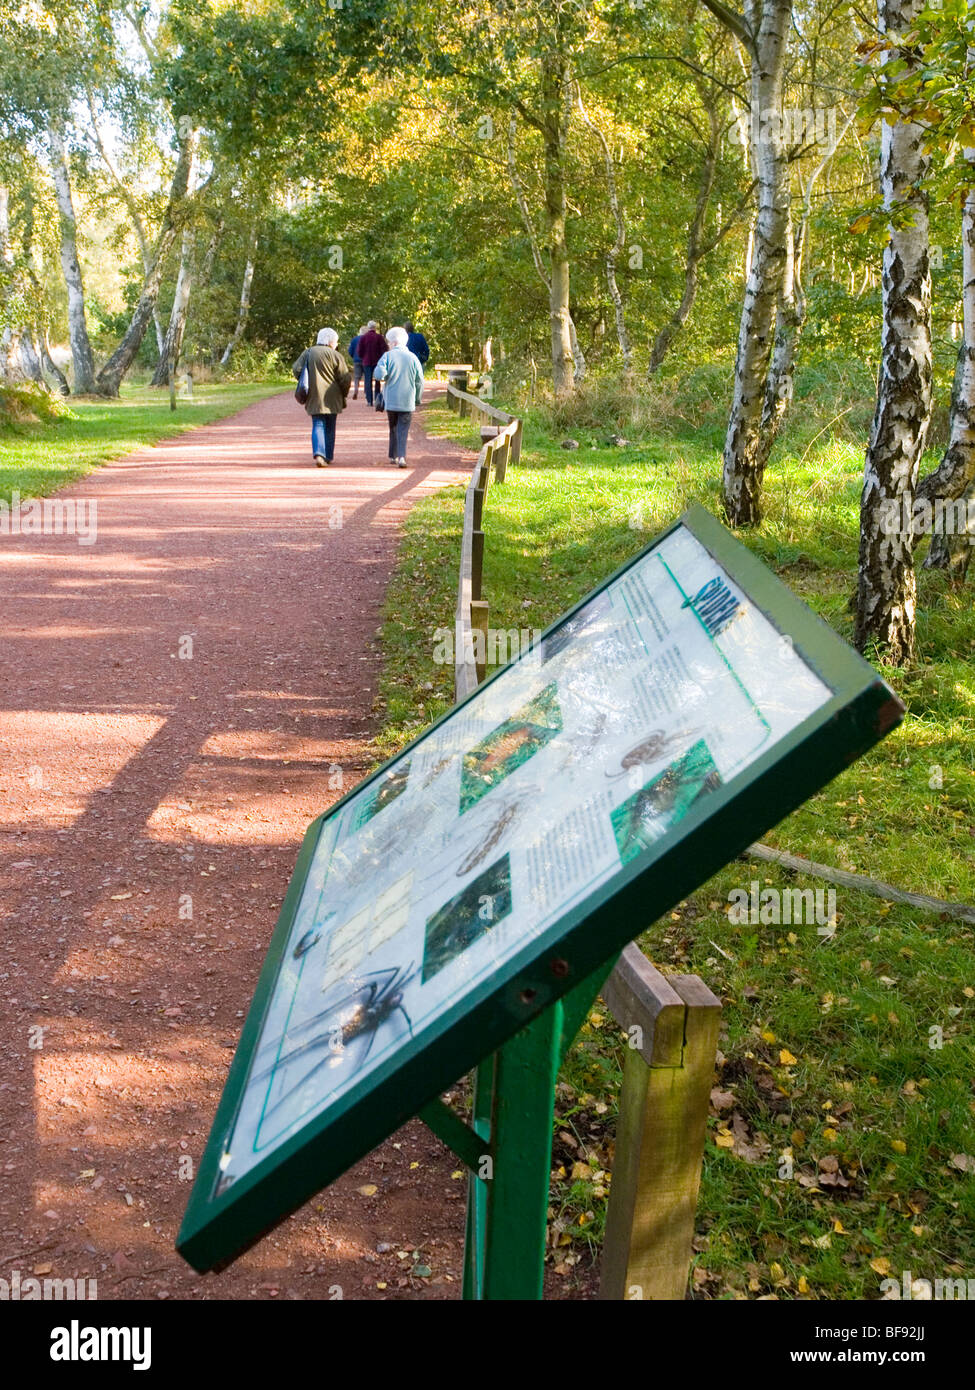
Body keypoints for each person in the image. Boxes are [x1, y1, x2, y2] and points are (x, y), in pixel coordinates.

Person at [292, 328, 352, 467]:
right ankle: (328, 456)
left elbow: (297, 369)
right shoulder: (336, 355)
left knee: (318, 424)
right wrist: (344, 393)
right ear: (331, 341)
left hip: (314, 395)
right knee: (330, 426)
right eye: (336, 342)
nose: (336, 344)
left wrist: (304, 380)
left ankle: (319, 453)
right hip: (333, 396)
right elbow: (345, 378)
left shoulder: (308, 352)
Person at [372, 326, 424, 468]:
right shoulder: (413, 358)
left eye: (389, 342)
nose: (388, 345)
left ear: (394, 343)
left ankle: (393, 455)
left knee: (393, 427)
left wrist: (382, 370)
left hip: (391, 400)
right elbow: (419, 381)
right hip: (407, 401)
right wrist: (417, 399)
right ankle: (401, 457)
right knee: (403, 429)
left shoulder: (387, 356)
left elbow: (379, 375)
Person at [356, 320, 388, 405]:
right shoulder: (379, 337)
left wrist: (363, 357)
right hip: (377, 361)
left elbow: (359, 351)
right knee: (377, 379)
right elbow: (384, 349)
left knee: (368, 380)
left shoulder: (363, 337)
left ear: (368, 327)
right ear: (375, 327)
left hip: (366, 362)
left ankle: (369, 401)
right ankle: (377, 398)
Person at [348, 324, 367, 400]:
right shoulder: (367, 339)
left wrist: (354, 356)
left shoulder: (354, 339)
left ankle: (356, 390)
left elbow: (350, 350)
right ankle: (366, 393)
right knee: (366, 377)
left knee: (356, 377)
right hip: (366, 360)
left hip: (356, 360)